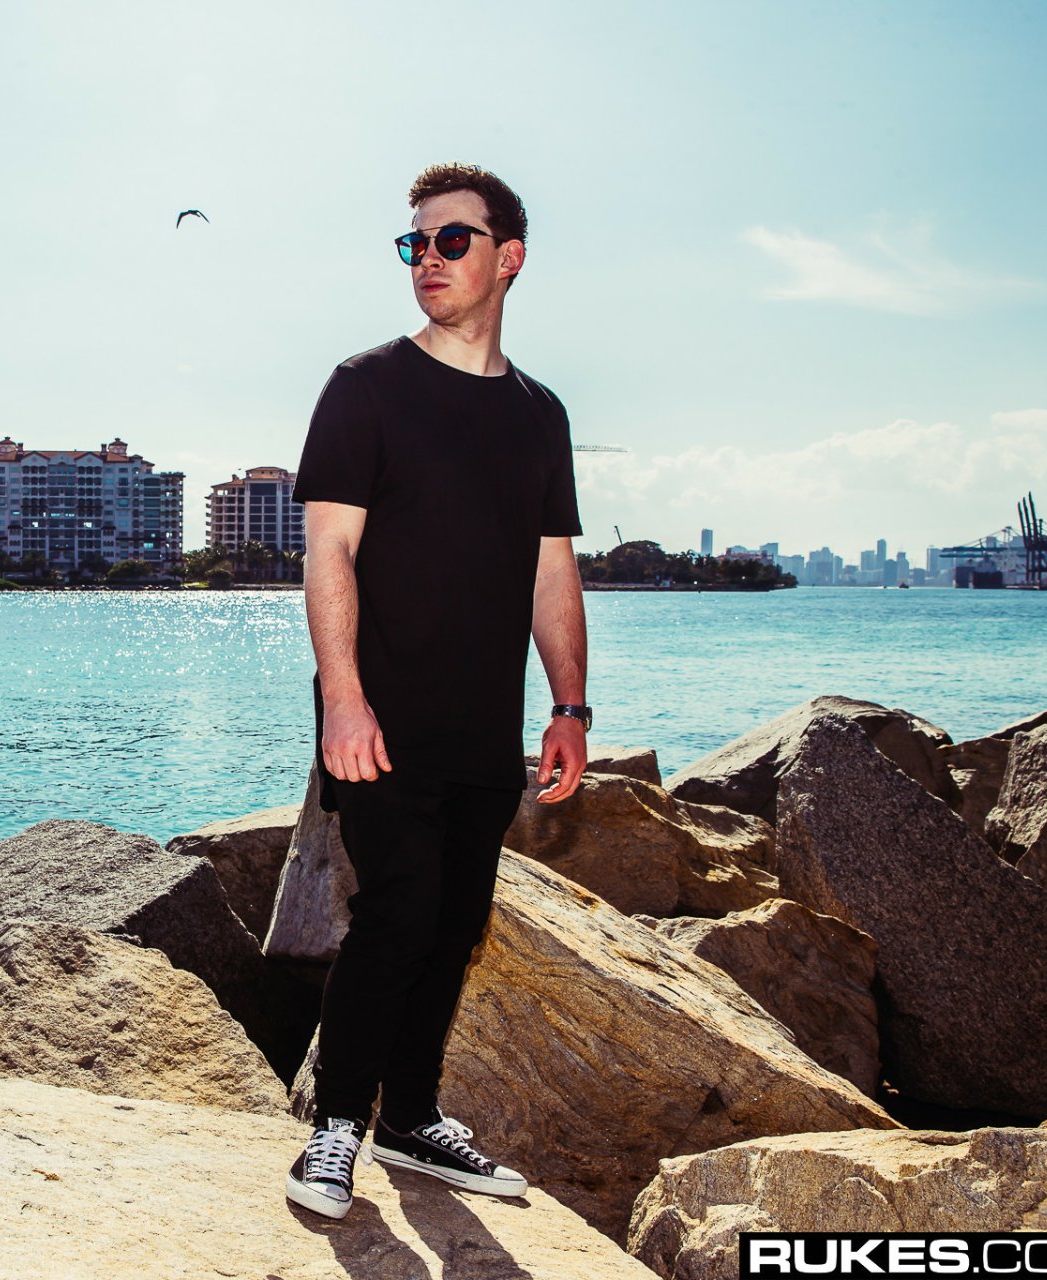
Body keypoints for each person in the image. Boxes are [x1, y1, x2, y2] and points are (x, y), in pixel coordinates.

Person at [282, 162, 591, 1221]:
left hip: (485, 730)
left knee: (455, 916)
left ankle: (412, 1115)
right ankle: (334, 1127)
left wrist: (569, 706)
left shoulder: (540, 415)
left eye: (450, 241)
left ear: (508, 257)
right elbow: (328, 550)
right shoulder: (364, 386)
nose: (428, 260)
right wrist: (343, 697)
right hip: (379, 721)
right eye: (413, 242)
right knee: (399, 906)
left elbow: (553, 569)